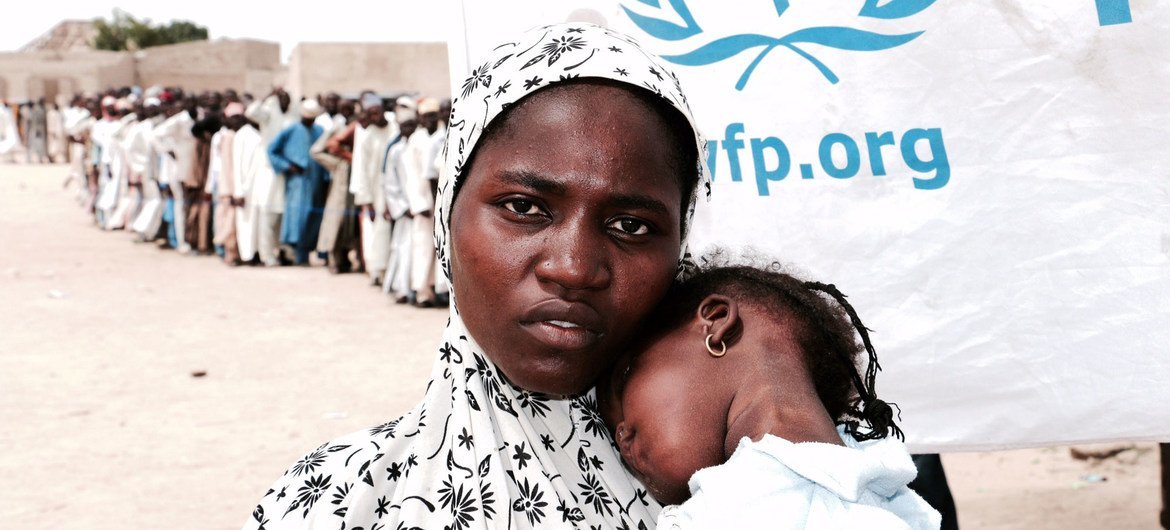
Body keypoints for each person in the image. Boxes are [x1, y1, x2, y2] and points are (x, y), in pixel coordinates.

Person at [243, 23, 707, 529]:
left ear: (680, 246)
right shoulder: (337, 503)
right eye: (523, 206)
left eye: (630, 225)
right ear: (448, 213)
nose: (573, 268)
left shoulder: (737, 493)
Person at [597, 264, 940, 529]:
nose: (621, 433)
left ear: (716, 323)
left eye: (625, 379)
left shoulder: (733, 508)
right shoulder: (887, 496)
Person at [268, 99, 328, 265]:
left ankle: (307, 253)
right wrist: (288, 166)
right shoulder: (291, 129)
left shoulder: (320, 131)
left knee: (314, 217)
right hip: (297, 182)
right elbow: (272, 150)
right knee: (296, 217)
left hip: (316, 181)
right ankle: (293, 253)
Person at [349, 95, 395, 284]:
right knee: (379, 231)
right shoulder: (367, 136)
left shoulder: (396, 127)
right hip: (376, 191)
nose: (375, 116)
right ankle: (379, 271)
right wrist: (366, 200)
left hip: (397, 187)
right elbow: (361, 169)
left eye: (377, 112)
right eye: (371, 113)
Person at [312, 101, 361, 274]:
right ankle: (334, 258)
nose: (346, 111)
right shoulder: (336, 127)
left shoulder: (361, 125)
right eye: (343, 109)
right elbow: (317, 151)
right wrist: (340, 161)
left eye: (349, 108)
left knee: (355, 221)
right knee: (337, 218)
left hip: (360, 175)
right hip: (342, 174)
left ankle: (355, 258)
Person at [403, 97, 440, 306]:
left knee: (439, 248)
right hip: (424, 203)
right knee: (423, 247)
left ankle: (437, 289)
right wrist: (418, 204)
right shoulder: (415, 140)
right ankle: (421, 292)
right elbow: (411, 175)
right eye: (426, 116)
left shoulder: (444, 135)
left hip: (440, 201)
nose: (430, 120)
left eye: (433, 116)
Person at [380, 106, 418, 302]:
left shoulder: (421, 145)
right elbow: (390, 183)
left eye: (412, 125)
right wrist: (403, 207)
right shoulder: (396, 151)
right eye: (405, 126)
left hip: (422, 209)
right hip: (405, 210)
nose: (409, 129)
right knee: (403, 248)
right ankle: (403, 289)